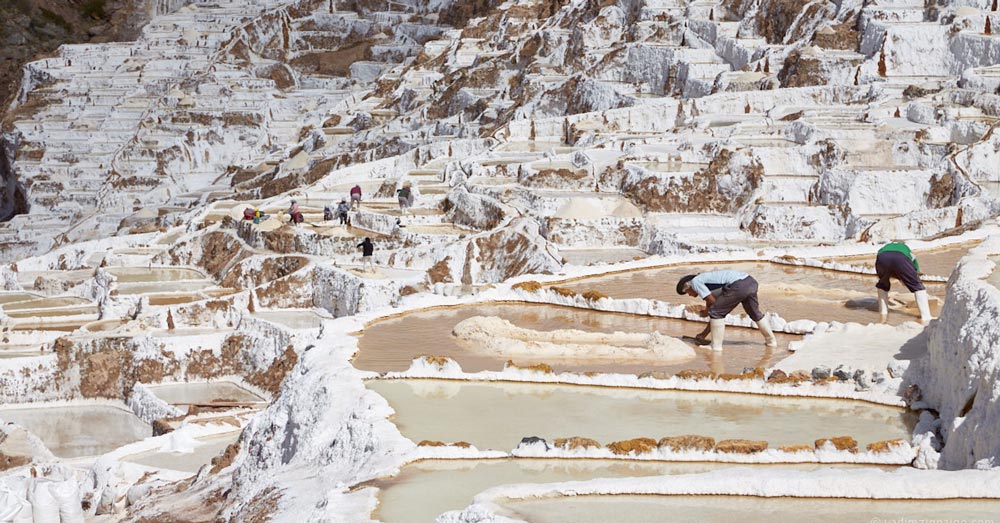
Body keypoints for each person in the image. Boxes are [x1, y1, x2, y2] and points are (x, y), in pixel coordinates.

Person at [677, 270, 777, 351]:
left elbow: (714, 308)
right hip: (750, 282)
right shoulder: (710, 284)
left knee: (716, 312)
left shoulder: (695, 282)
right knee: (755, 313)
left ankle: (715, 347)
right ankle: (771, 341)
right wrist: (703, 334)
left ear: (688, 286)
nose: (689, 295)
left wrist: (708, 312)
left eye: (687, 292)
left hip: (738, 285)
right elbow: (713, 307)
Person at [875, 241, 931, 324]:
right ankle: (926, 317)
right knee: (918, 287)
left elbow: (880, 261)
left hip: (882, 258)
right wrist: (912, 280)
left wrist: (884, 277)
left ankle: (883, 313)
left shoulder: (884, 248)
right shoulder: (906, 249)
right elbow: (915, 269)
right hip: (900, 257)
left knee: (882, 285)